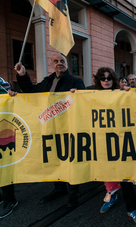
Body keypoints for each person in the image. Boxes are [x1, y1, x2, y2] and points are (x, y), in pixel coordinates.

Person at [13, 53, 85, 208]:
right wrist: (23, 75)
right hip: (49, 129)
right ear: (52, 65)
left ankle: (74, 194)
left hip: (69, 130)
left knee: (70, 161)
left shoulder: (76, 82)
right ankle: (59, 189)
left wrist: (78, 95)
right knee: (53, 160)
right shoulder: (47, 82)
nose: (59, 63)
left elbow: (83, 105)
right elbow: (31, 93)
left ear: (67, 64)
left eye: (62, 61)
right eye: (56, 61)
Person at [92, 68, 122, 213]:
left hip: (120, 137)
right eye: (103, 78)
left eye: (109, 78)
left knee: (122, 165)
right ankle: (111, 193)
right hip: (102, 137)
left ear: (113, 80)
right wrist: (74, 94)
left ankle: (122, 193)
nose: (106, 81)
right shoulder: (90, 94)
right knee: (106, 166)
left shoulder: (121, 94)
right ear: (98, 80)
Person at [0, 78, 18, 218]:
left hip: (3, 129)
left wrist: (11, 94)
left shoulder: (1, 81)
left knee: (3, 165)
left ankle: (9, 200)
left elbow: (9, 93)